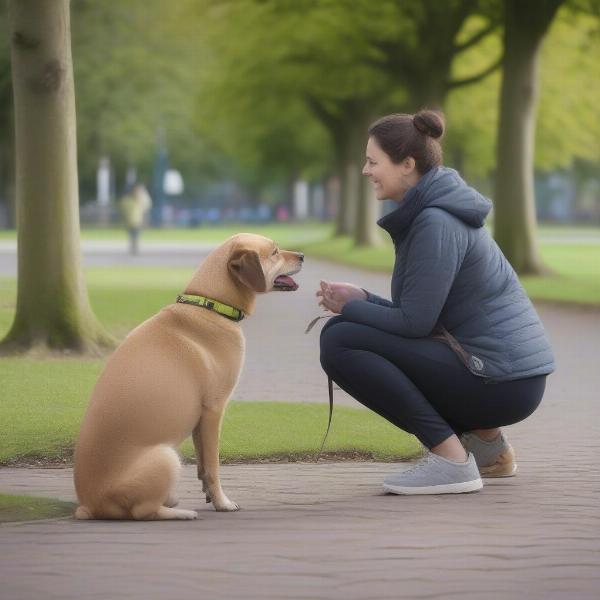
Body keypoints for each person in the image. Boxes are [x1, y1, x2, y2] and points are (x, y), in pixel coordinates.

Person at [317, 110, 555, 496]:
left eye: (373, 161)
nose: (365, 170)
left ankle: (451, 460)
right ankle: (487, 448)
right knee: (347, 328)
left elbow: (413, 325)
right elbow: (421, 315)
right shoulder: (432, 213)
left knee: (340, 338)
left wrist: (350, 309)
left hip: (503, 381)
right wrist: (363, 299)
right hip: (507, 377)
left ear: (407, 164)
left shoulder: (436, 222)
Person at [120, 183, 152, 255]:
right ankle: (133, 247)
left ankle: (135, 248)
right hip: (130, 221)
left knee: (136, 235)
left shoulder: (142, 199)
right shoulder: (129, 200)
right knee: (132, 235)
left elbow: (146, 207)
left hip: (137, 221)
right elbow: (124, 208)